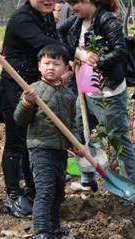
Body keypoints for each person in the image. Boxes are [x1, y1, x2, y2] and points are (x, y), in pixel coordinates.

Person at [0, 0, 70, 218]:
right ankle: (12, 195)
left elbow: (55, 44)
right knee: (17, 140)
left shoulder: (46, 16)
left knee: (33, 141)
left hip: (38, 84)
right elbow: (43, 44)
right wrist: (76, 54)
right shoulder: (22, 19)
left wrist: (65, 68)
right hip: (15, 86)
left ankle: (33, 190)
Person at [59, 0, 135, 183]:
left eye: (74, 5)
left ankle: (128, 183)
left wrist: (96, 61)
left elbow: (121, 52)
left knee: (117, 138)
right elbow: (57, 34)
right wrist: (77, 54)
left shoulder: (107, 20)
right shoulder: (78, 21)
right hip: (86, 90)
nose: (71, 10)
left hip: (108, 92)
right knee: (79, 133)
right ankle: (87, 176)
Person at [14, 44, 81, 239]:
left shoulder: (68, 95)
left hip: (60, 150)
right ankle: (42, 233)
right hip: (40, 148)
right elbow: (20, 119)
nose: (51, 67)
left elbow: (71, 124)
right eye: (47, 63)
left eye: (56, 64)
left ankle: (54, 228)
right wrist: (26, 104)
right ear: (39, 66)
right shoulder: (33, 91)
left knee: (58, 192)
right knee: (44, 191)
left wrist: (76, 142)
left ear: (66, 68)